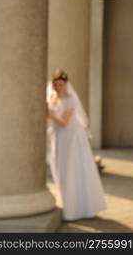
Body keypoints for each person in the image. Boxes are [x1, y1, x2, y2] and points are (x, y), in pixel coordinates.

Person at [46, 69, 107, 221]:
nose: (59, 87)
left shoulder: (71, 99)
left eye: (61, 84)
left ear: (66, 84)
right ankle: (69, 204)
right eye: (56, 84)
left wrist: (48, 114)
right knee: (60, 170)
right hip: (58, 137)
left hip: (71, 138)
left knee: (71, 171)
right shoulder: (52, 96)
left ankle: (74, 210)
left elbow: (64, 122)